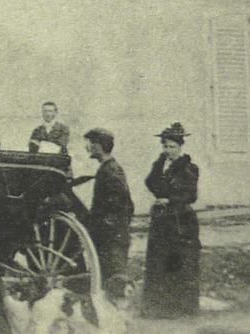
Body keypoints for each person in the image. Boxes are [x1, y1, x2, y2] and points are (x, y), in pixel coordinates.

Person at [142, 123, 201, 319]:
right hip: (161, 219)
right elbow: (149, 182)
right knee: (159, 261)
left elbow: (191, 195)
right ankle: (160, 307)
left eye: (172, 147)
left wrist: (170, 199)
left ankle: (182, 308)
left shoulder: (189, 168)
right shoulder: (161, 165)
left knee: (179, 262)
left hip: (181, 220)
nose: (168, 151)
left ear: (180, 147)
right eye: (165, 146)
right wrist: (159, 164)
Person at [83, 127, 133, 300]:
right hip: (110, 235)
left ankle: (119, 320)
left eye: (89, 144)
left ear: (98, 146)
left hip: (112, 238)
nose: (87, 148)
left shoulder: (111, 170)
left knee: (115, 280)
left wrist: (104, 227)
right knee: (108, 281)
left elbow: (121, 205)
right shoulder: (107, 168)